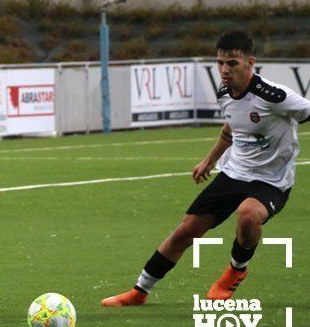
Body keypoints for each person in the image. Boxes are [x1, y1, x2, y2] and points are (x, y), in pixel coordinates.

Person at [102, 31, 310, 306]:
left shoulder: (274, 95)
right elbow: (231, 127)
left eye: (232, 63)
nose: (225, 69)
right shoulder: (224, 92)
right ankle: (139, 291)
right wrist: (208, 161)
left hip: (271, 181)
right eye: (220, 62)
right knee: (185, 232)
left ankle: (235, 271)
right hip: (234, 173)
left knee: (248, 215)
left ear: (250, 62)